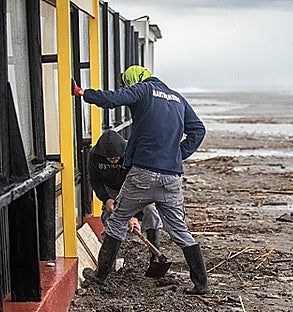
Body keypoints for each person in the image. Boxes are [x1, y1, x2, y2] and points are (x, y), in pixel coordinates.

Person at [74, 65, 208, 294]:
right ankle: (201, 284)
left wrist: (83, 93)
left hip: (142, 174)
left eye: (128, 83)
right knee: (179, 230)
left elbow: (114, 99)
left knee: (116, 222)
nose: (128, 87)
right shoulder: (177, 98)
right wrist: (177, 155)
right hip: (171, 177)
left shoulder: (144, 90)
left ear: (134, 80)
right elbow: (198, 130)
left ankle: (100, 276)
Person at [88, 129, 163, 273]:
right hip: (111, 189)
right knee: (110, 218)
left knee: (151, 212)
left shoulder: (134, 152)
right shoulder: (94, 155)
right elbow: (95, 180)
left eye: (116, 158)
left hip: (136, 187)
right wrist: (106, 199)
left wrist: (131, 214)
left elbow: (136, 181)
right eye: (109, 159)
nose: (113, 161)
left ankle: (155, 258)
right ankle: (108, 263)